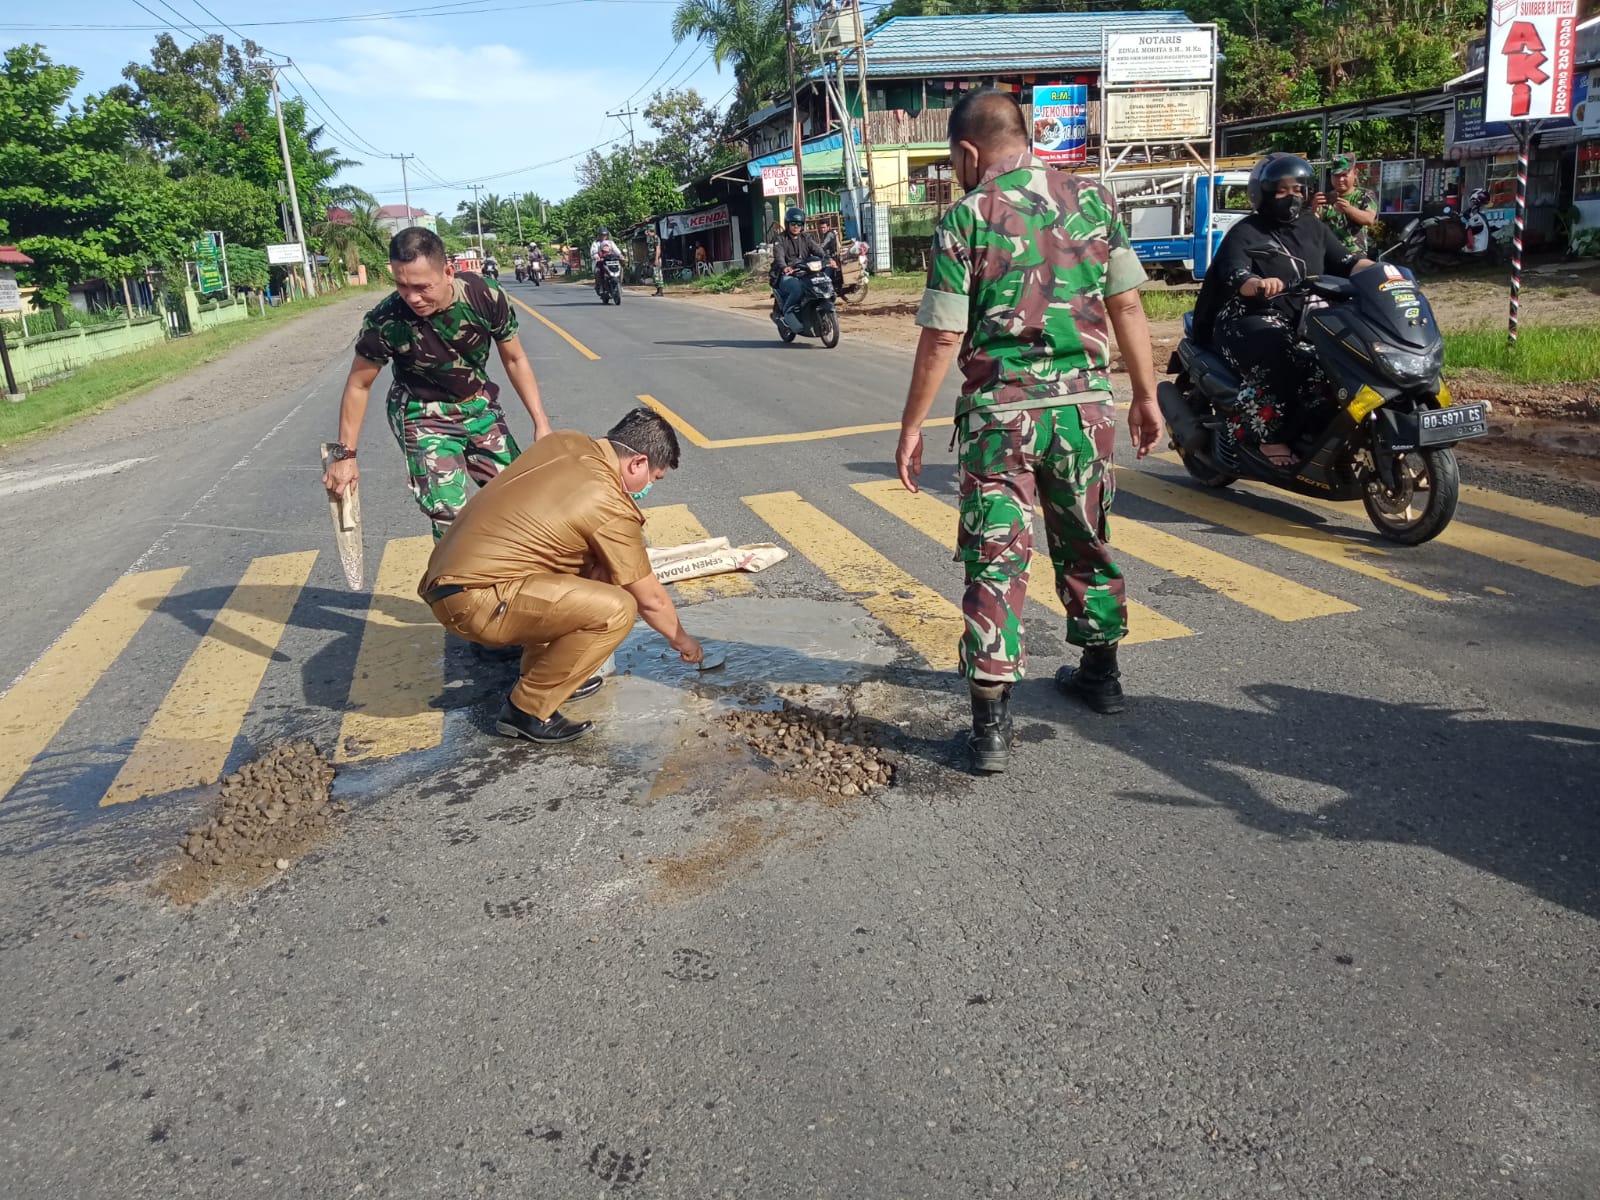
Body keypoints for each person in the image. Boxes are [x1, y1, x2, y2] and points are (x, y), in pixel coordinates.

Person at [893, 88, 1162, 774]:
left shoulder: (966, 215)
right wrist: (1146, 397)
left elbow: (943, 335)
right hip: (1086, 411)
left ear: (968, 150)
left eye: (954, 158)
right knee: (1086, 535)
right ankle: (1101, 675)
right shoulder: (1094, 201)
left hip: (1000, 421)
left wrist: (912, 426)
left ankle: (990, 728)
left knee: (996, 557)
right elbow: (1127, 302)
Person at [417, 407, 704, 744]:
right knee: (618, 608)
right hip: (474, 599)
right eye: (654, 478)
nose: (648, 488)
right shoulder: (609, 502)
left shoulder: (566, 442)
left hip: (452, 580)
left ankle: (547, 676)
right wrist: (684, 643)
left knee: (594, 572)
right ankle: (527, 710)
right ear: (637, 463)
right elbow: (650, 600)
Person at [324, 227, 553, 540]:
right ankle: (455, 586)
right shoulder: (386, 320)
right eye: (402, 285)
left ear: (448, 272)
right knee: (451, 517)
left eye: (422, 286)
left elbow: (515, 359)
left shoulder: (485, 295)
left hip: (478, 404)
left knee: (521, 498)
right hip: (422, 413)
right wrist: (344, 458)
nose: (412, 297)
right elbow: (358, 385)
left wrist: (541, 424)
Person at [1192, 153, 1374, 470]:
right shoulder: (1247, 231)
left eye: (1298, 190)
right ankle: (1265, 435)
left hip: (1303, 318)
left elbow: (1346, 262)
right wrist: (1258, 284)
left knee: (1343, 357)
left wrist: (1384, 273)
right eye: (1282, 191)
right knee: (1282, 354)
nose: (1292, 197)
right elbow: (1236, 274)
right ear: (1263, 194)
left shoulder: (1312, 227)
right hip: (1245, 318)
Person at [770, 207, 833, 334]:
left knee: (820, 282)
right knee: (797, 288)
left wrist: (828, 259)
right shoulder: (780, 239)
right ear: (788, 224)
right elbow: (779, 256)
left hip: (804, 271)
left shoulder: (806, 238)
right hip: (785, 274)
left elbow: (817, 250)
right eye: (793, 223)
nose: (796, 227)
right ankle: (787, 312)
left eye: (799, 224)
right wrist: (784, 267)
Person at [1314, 155, 1378, 256]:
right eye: (1336, 175)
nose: (1340, 179)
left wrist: (1349, 209)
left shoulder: (1365, 195)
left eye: (1344, 175)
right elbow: (1312, 226)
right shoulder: (1327, 198)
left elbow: (1369, 219)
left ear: (1355, 173)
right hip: (1329, 255)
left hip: (1355, 256)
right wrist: (1313, 209)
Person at [590, 228, 622, 295]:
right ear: (598, 235)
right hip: (601, 263)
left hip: (611, 262)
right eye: (601, 235)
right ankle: (601, 286)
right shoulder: (596, 243)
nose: (603, 237)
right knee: (597, 271)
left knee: (621, 269)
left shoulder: (611, 243)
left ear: (607, 235)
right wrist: (597, 257)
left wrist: (620, 255)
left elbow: (616, 250)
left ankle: (619, 283)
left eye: (604, 235)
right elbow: (594, 252)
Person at [645, 224, 663, 296]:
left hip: (656, 259)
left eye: (648, 231)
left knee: (658, 275)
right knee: (654, 275)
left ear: (650, 230)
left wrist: (656, 259)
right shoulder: (649, 238)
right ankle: (658, 290)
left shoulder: (656, 238)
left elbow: (658, 249)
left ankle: (660, 291)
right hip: (651, 259)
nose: (647, 232)